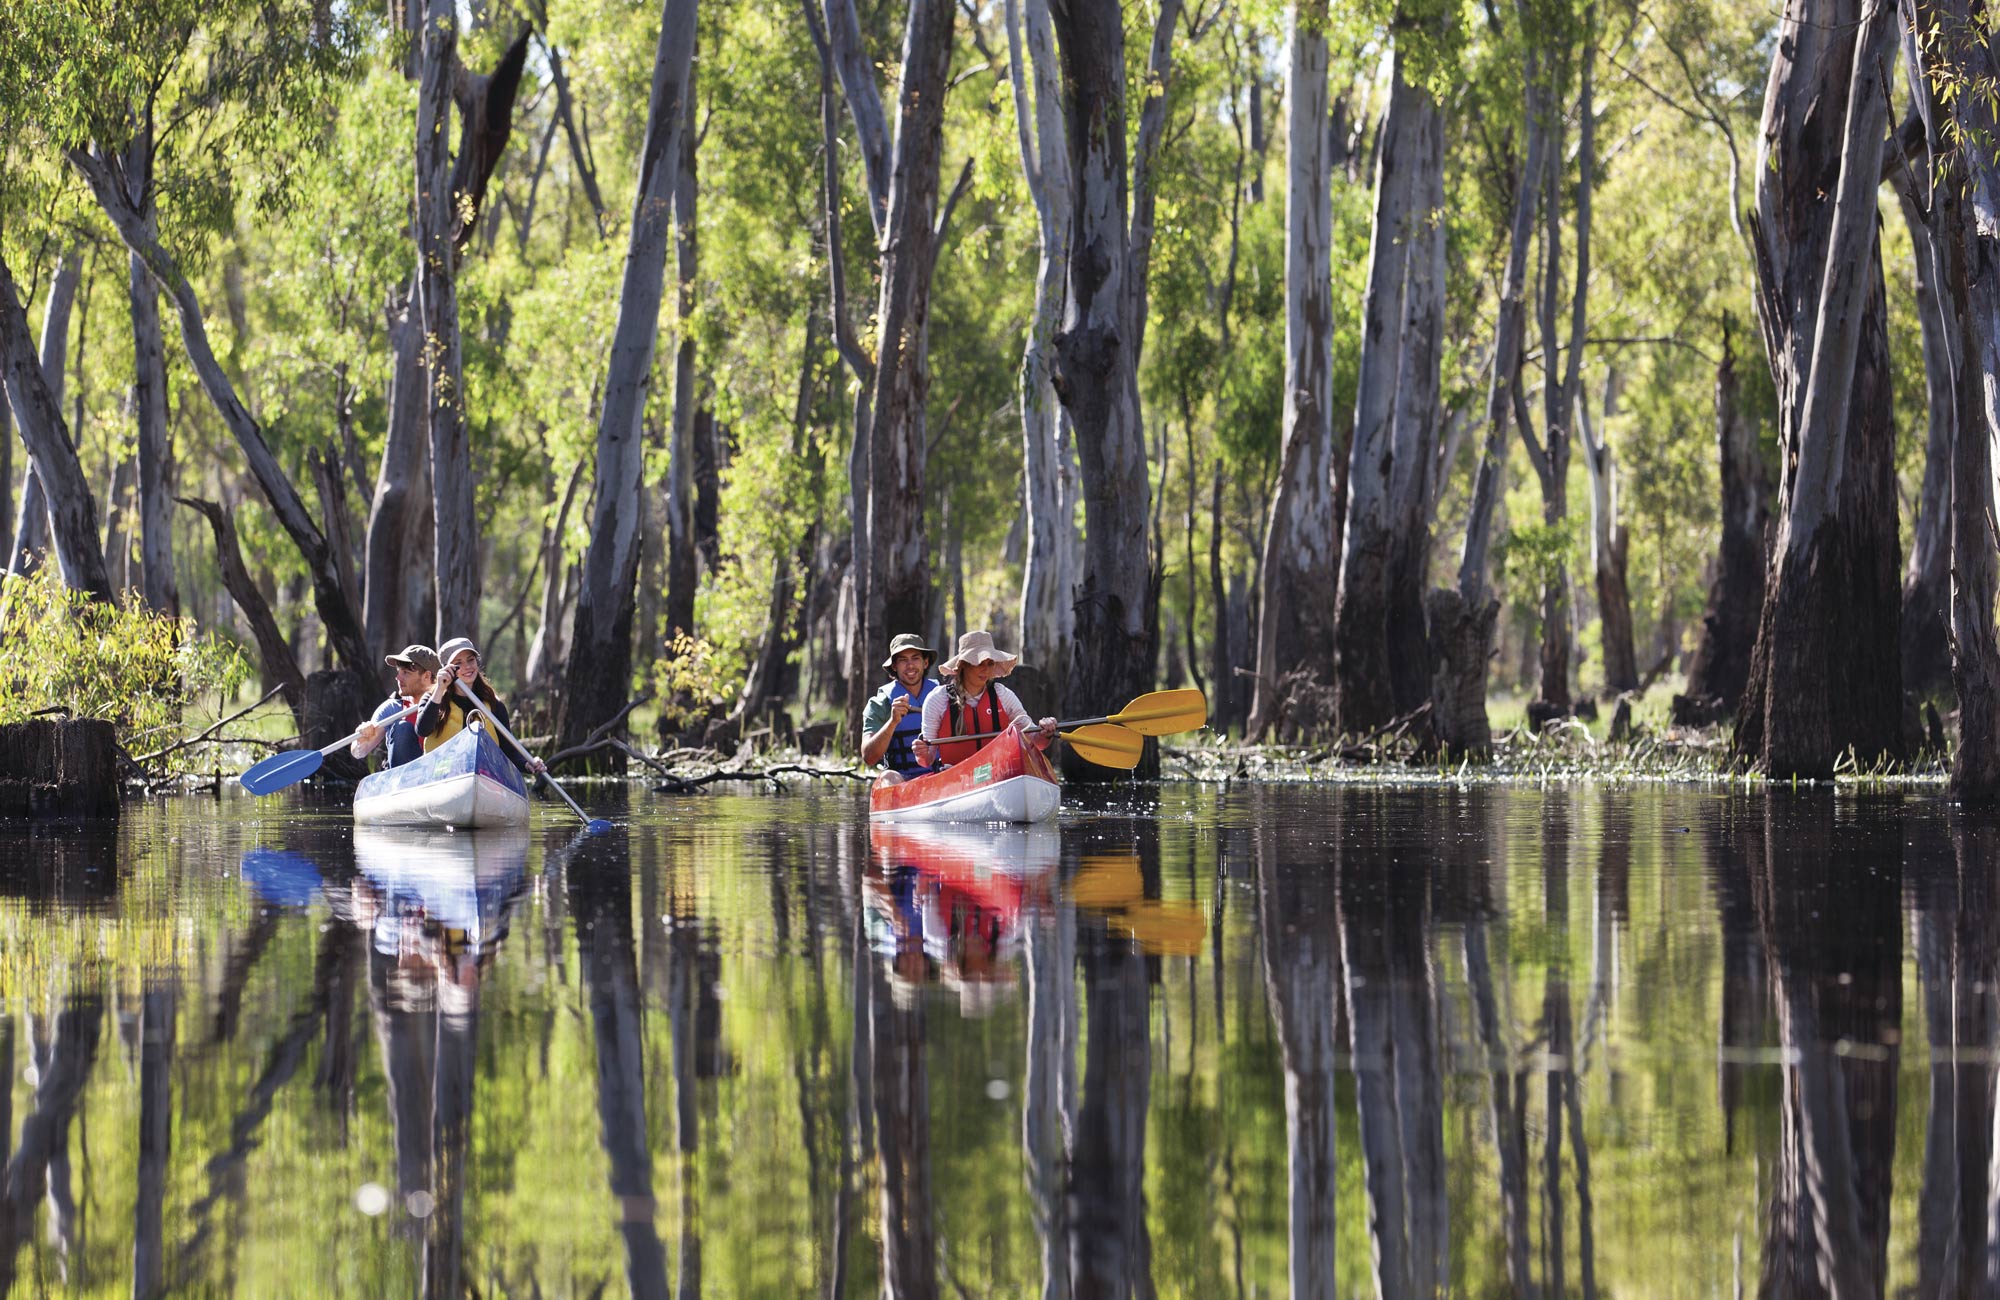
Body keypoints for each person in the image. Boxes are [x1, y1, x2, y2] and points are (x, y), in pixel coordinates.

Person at [915, 630, 1057, 769]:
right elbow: (927, 760)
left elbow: (1037, 743)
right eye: (979, 663)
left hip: (999, 772)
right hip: (956, 777)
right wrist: (921, 753)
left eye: (990, 663)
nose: (986, 670)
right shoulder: (937, 699)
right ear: (963, 665)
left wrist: (1045, 733)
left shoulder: (1003, 695)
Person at [416, 638, 548, 775]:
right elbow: (423, 730)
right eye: (458, 663)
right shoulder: (432, 698)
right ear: (447, 669)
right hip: (441, 775)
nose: (467, 666)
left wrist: (528, 764)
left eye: (470, 660)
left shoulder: (493, 704)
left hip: (485, 776)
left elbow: (509, 751)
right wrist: (439, 689)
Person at [861, 633, 941, 785]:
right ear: (894, 666)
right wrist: (892, 721)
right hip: (901, 779)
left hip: (940, 773)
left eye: (915, 658)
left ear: (925, 663)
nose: (910, 665)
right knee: (888, 777)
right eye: (903, 660)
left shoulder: (942, 695)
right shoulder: (879, 703)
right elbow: (868, 757)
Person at [352, 645, 439, 770]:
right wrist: (361, 738)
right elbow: (358, 752)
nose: (398, 678)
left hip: (439, 773)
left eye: (406, 673)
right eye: (399, 672)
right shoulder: (393, 708)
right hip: (404, 779)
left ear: (426, 676)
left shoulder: (446, 705)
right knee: (402, 728)